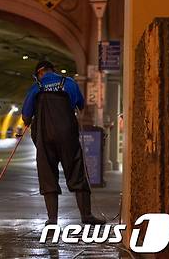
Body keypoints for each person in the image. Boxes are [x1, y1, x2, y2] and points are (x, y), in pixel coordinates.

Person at [21, 60, 105, 225]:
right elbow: (81, 105)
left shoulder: (36, 87)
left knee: (47, 175)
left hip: (44, 139)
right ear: (53, 70)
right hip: (68, 137)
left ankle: (52, 219)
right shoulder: (69, 83)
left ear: (40, 73)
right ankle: (86, 216)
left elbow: (26, 115)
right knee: (76, 172)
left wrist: (28, 121)